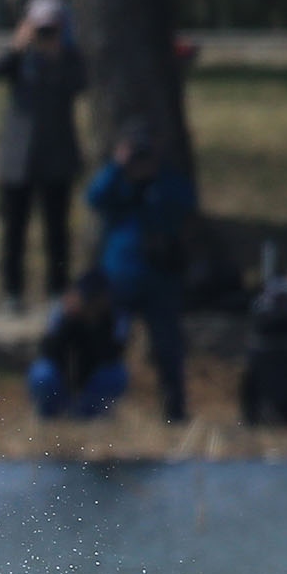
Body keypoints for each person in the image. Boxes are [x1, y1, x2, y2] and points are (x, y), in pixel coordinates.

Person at [86, 128, 199, 423]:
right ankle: (100, 408)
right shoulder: (116, 183)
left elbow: (186, 203)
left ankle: (174, 410)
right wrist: (117, 167)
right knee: (110, 344)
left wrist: (153, 179)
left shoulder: (168, 183)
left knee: (167, 347)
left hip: (160, 279)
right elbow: (94, 197)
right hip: (120, 278)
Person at [0, 0, 87, 308]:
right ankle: (11, 292)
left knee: (57, 232)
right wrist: (18, 45)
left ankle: (58, 289)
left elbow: (81, 83)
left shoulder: (71, 59)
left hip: (57, 157)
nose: (45, 34)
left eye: (51, 28)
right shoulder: (19, 60)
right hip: (18, 159)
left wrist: (60, 53)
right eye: (40, 28)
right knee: (14, 232)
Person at [26, 270, 129, 419]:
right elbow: (47, 350)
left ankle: (92, 413)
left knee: (115, 374)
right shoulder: (61, 311)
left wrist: (93, 327)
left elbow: (113, 355)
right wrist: (69, 322)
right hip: (61, 375)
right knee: (42, 373)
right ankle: (49, 413)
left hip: (95, 375)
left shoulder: (116, 315)